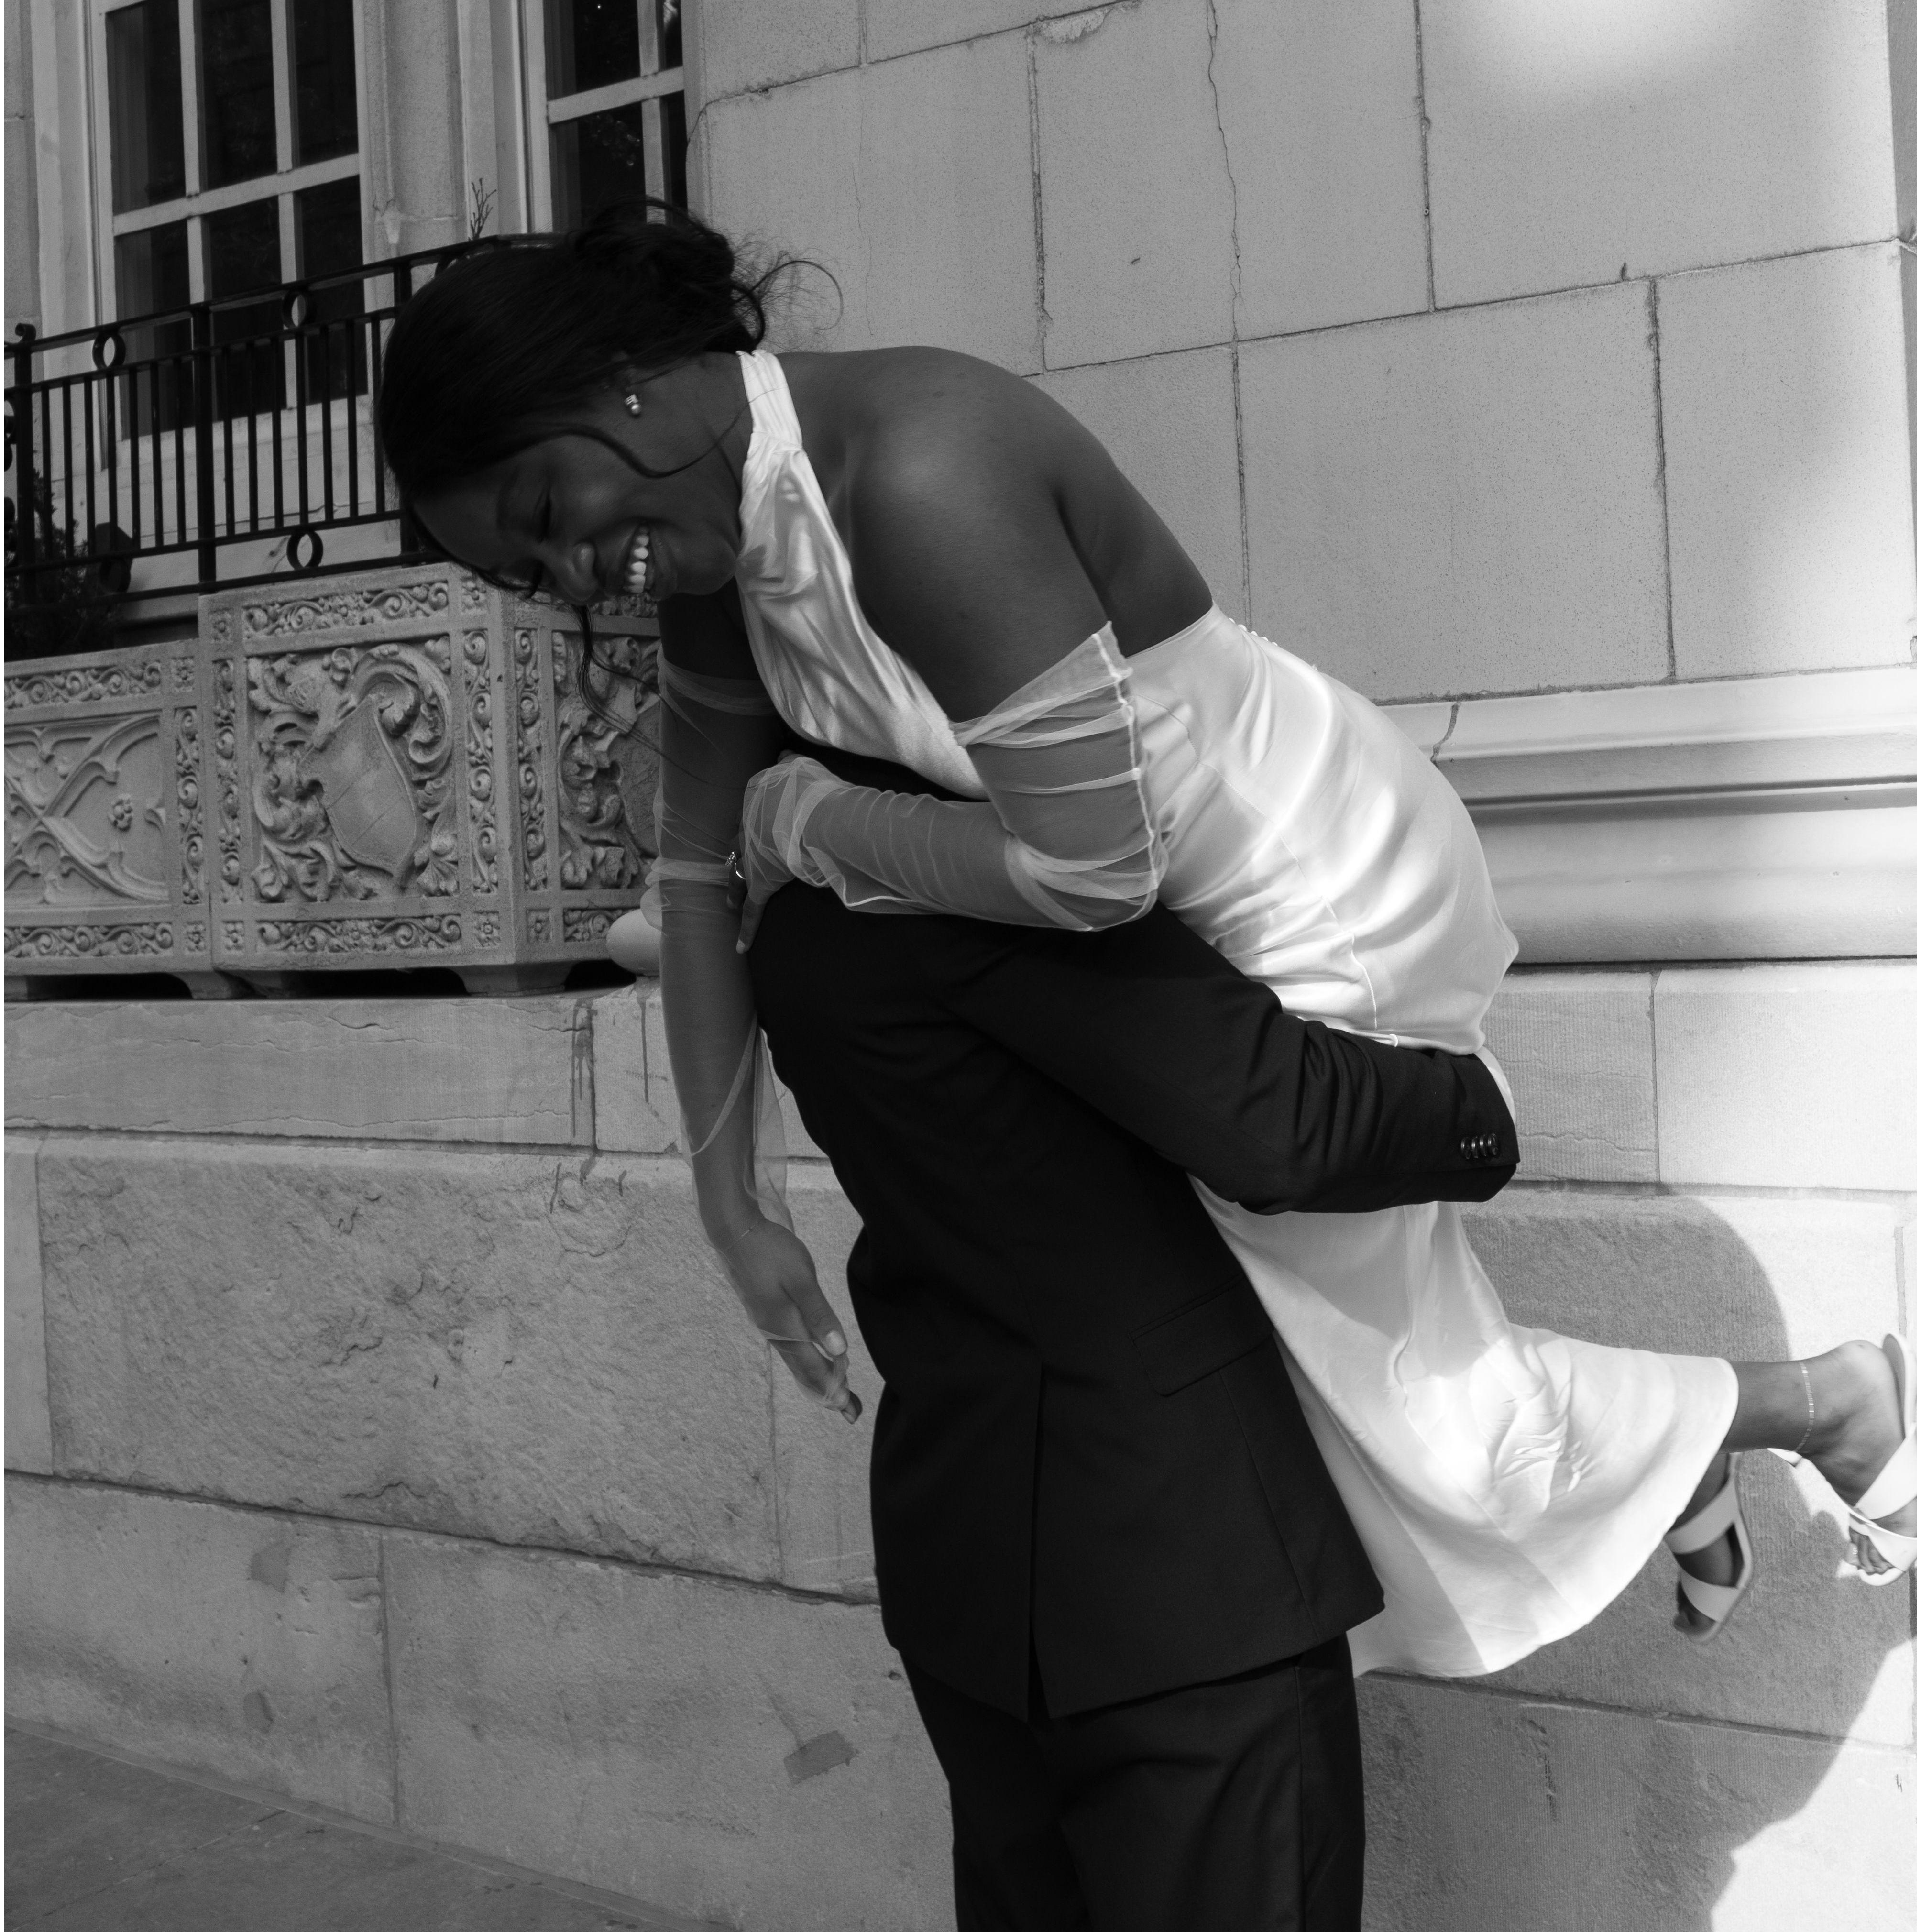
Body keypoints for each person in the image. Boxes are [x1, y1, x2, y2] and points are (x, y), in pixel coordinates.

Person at [379, 203, 1914, 1679]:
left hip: (1312, 882)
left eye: (547, 515)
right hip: (1162, 939)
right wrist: (731, 1204)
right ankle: (1702, 1448)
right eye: (528, 575)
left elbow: (1090, 873)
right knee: (1304, 1378)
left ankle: (1818, 1405)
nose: (573, 577)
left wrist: (815, 822)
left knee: (1402, 1411)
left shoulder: (918, 472)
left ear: (618, 379)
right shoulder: (714, 543)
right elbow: (696, 881)